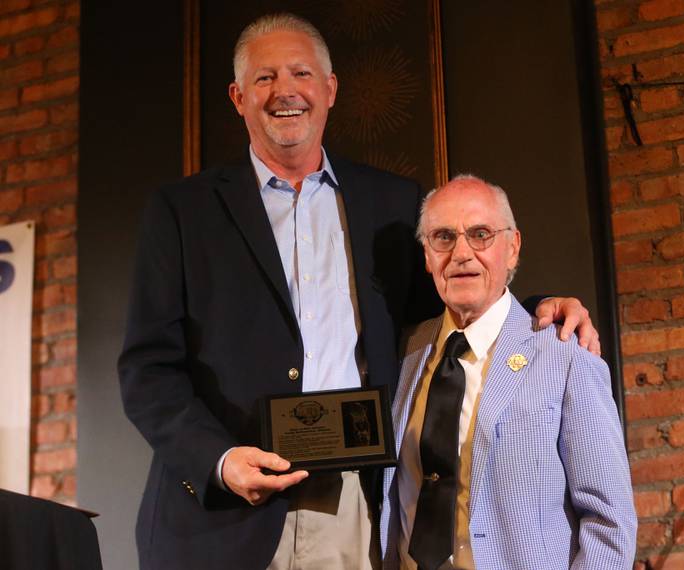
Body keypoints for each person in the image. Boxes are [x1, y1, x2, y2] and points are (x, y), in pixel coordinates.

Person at [118, 13, 600, 570]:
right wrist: (219, 460)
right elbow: (147, 371)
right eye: (264, 77)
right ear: (237, 96)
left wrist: (541, 303)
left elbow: (449, 301)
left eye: (300, 73)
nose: (284, 91)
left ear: (329, 89)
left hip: (353, 509)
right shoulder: (182, 212)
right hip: (219, 519)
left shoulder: (390, 204)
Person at [380, 175, 637, 570]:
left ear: (512, 247)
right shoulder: (409, 352)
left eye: (480, 234)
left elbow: (610, 522)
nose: (461, 253)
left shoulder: (567, 355)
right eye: (444, 237)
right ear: (428, 255)